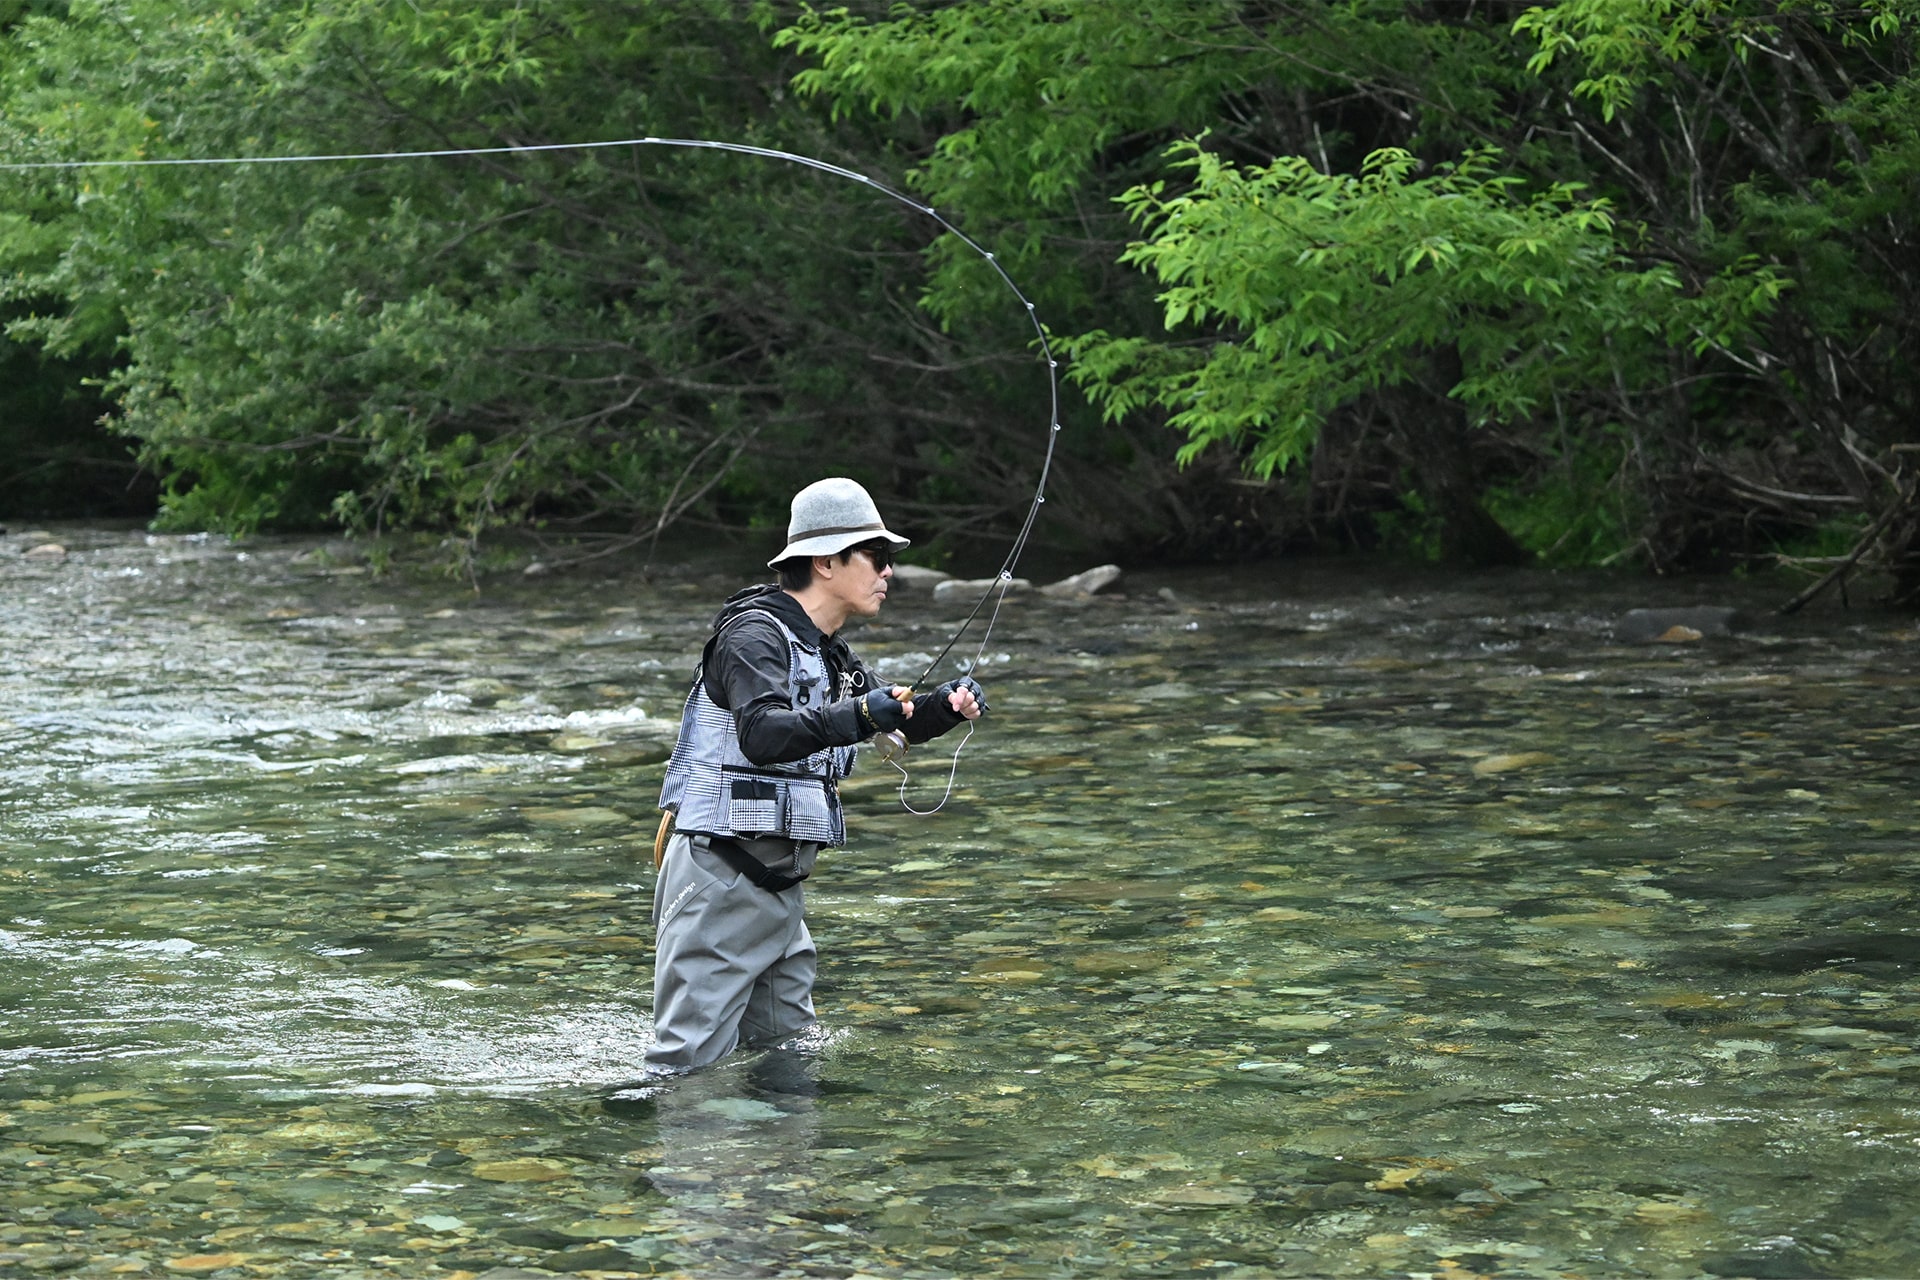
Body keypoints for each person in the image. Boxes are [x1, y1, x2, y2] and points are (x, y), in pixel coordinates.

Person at [645, 477, 984, 1073]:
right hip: (720, 876)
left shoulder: (829, 650)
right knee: (686, 1067)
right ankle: (682, 1165)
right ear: (826, 562)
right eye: (876, 558)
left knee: (788, 1056)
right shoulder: (750, 637)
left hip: (778, 891)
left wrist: (943, 709)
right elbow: (764, 732)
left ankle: (787, 1167)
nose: (888, 574)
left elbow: (886, 725)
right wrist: (856, 714)